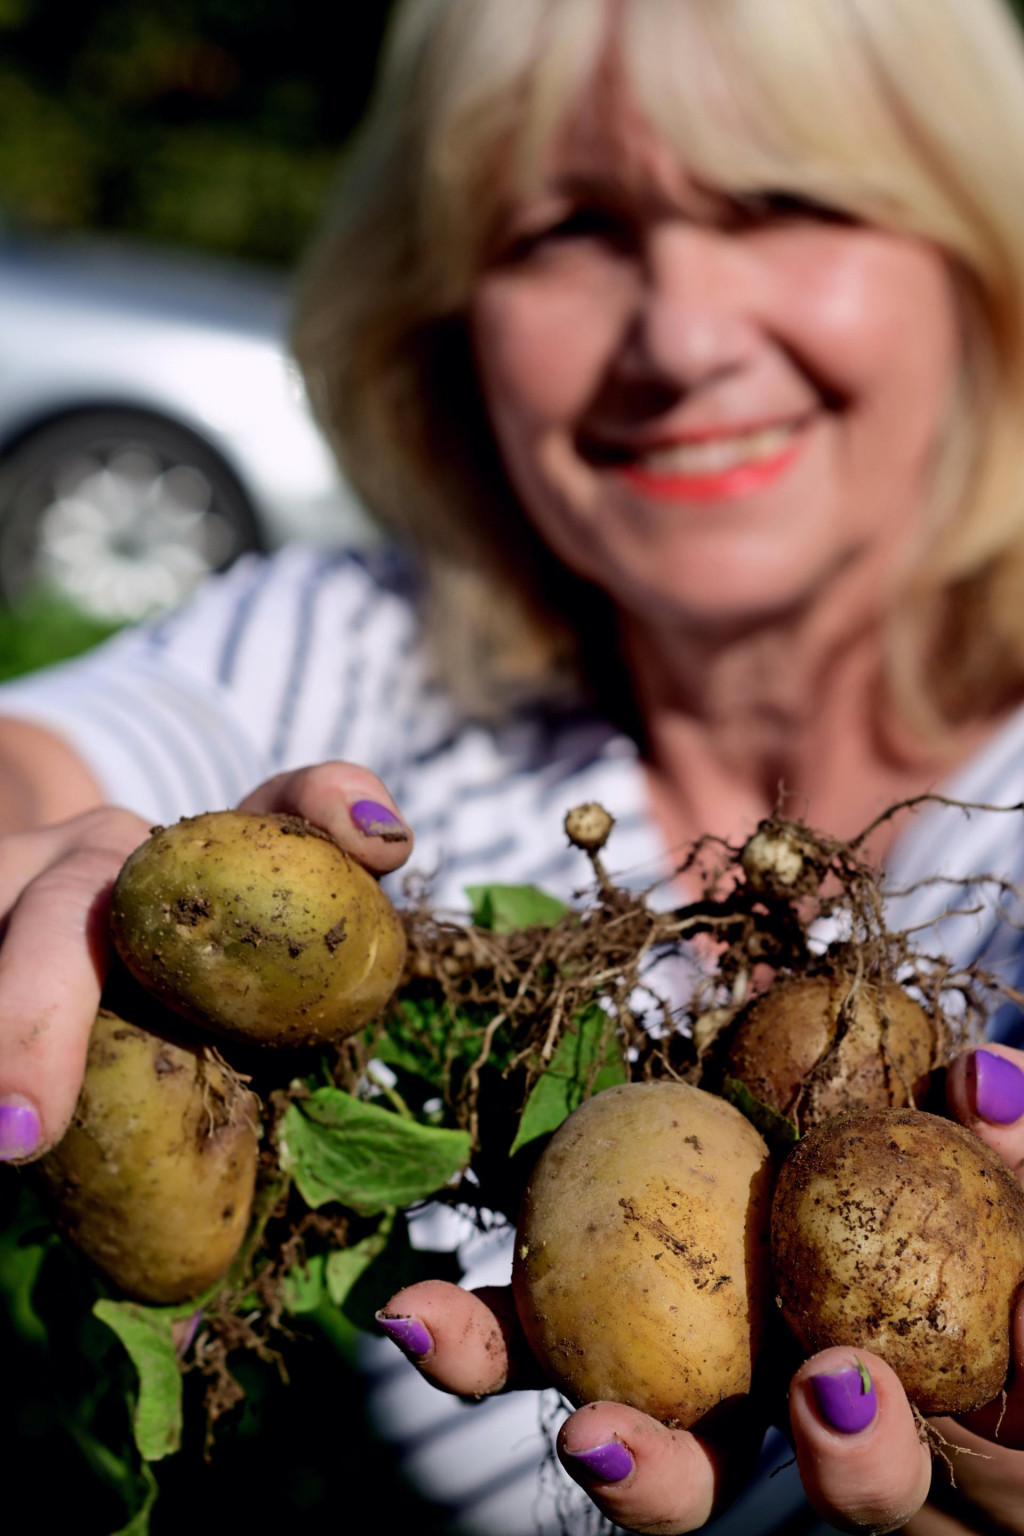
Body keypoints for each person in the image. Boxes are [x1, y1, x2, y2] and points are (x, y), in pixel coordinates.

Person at [4, 0, 1024, 1530]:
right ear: (445, 304)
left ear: (975, 249)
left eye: (785, 202)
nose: (680, 337)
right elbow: (52, 764)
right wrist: (51, 883)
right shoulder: (368, 657)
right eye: (567, 228)